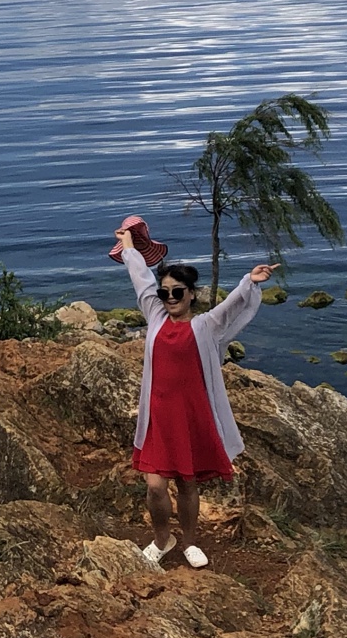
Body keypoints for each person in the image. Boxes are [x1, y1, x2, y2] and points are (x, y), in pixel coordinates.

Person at [115, 223, 275, 569]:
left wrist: (250, 281)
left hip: (190, 415)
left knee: (187, 484)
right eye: (165, 292)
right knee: (155, 486)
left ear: (191, 294)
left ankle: (189, 542)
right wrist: (129, 245)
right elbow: (140, 277)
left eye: (177, 292)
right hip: (158, 414)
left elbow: (232, 307)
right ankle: (162, 539)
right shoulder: (155, 316)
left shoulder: (205, 325)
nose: (169, 298)